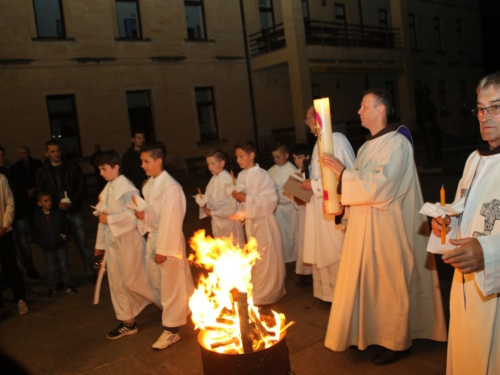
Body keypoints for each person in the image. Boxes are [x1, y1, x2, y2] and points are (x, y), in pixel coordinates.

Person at [322, 89, 447, 365]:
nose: (358, 111)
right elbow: (359, 186)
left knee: (391, 285)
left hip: (390, 227)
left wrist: (343, 173)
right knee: (370, 284)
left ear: (380, 110)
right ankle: (372, 333)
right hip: (366, 226)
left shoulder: (397, 143)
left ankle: (398, 343)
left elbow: (382, 185)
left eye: (363, 106)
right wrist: (341, 206)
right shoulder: (367, 146)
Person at [429, 72, 500, 374]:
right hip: (466, 281)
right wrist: (447, 225)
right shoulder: (474, 159)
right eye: (480, 109)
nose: (485, 116)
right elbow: (463, 208)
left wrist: (489, 252)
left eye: (495, 106)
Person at [93, 151, 160, 340]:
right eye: (99, 170)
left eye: (104, 169)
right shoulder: (108, 188)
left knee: (136, 279)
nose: (101, 173)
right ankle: (127, 321)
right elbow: (102, 217)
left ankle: (169, 306)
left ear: (116, 167)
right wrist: (100, 244)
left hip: (129, 241)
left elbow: (135, 216)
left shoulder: (126, 187)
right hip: (114, 242)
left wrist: (110, 220)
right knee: (117, 283)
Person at [136, 142, 194, 350]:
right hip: (156, 237)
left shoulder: (171, 188)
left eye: (146, 161)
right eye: (142, 161)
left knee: (170, 283)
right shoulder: (150, 184)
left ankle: (172, 330)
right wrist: (144, 216)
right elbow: (155, 215)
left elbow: (172, 219)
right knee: (164, 281)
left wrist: (164, 250)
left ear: (158, 161)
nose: (143, 165)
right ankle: (191, 307)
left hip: (168, 241)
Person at [299, 107, 355, 302]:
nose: (306, 124)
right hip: (319, 204)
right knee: (323, 248)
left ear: (316, 120)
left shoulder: (336, 140)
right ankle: (329, 294)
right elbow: (320, 175)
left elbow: (342, 174)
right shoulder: (318, 143)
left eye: (307, 119)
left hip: (335, 206)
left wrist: (313, 184)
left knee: (336, 248)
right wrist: (309, 184)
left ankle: (344, 294)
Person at [232, 141, 286, 308]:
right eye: (237, 157)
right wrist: (241, 210)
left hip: (263, 222)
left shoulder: (262, 175)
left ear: (251, 155)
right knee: (254, 258)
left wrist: (246, 199)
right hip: (251, 223)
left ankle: (268, 292)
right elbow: (243, 200)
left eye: (241, 156)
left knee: (265, 258)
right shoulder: (241, 176)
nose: (238, 160)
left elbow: (271, 199)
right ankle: (256, 290)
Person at [36, 140, 97, 284]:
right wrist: (55, 204)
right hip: (55, 213)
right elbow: (40, 190)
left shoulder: (72, 165)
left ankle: (90, 272)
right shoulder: (43, 171)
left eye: (58, 150)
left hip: (74, 210)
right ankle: (65, 278)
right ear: (47, 153)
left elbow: (82, 184)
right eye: (52, 151)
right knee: (59, 246)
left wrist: (72, 202)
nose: (56, 154)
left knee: (82, 243)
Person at [32, 191, 77, 297]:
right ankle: (52, 287)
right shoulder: (37, 217)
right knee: (51, 268)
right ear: (39, 203)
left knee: (64, 265)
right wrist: (40, 241)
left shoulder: (57, 213)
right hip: (47, 246)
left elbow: (65, 225)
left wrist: (65, 235)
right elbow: (34, 230)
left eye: (50, 200)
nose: (49, 203)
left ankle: (68, 284)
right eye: (45, 201)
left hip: (60, 243)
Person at [200, 148, 245, 246]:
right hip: (218, 223)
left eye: (213, 164)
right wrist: (205, 205)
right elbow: (211, 198)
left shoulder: (229, 180)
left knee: (233, 253)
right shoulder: (213, 179)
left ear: (222, 163)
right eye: (208, 164)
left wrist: (213, 213)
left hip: (230, 224)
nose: (210, 167)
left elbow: (232, 208)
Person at [10, 146, 43, 280]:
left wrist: (33, 189)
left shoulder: (36, 164)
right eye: (22, 153)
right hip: (21, 204)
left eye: (26, 152)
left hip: (27, 204)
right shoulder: (16, 168)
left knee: (24, 241)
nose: (25, 155)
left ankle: (29, 269)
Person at [0, 172, 29, 315]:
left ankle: (20, 298)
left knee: (11, 265)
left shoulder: (1, 179)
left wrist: (5, 225)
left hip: (4, 231)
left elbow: (9, 202)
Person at [268, 143, 299, 264]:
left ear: (286, 155)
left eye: (278, 157)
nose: (276, 160)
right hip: (277, 210)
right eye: (274, 157)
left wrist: (277, 193)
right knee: (279, 235)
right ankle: (281, 258)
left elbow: (292, 193)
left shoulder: (293, 171)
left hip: (290, 210)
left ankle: (293, 258)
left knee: (291, 235)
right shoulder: (271, 171)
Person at [290, 143, 312, 286]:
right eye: (295, 158)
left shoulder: (312, 172)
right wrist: (296, 200)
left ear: (308, 157)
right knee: (303, 241)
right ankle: (305, 273)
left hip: (312, 212)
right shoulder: (296, 174)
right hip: (302, 212)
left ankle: (313, 273)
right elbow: (293, 195)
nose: (297, 161)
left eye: (299, 157)